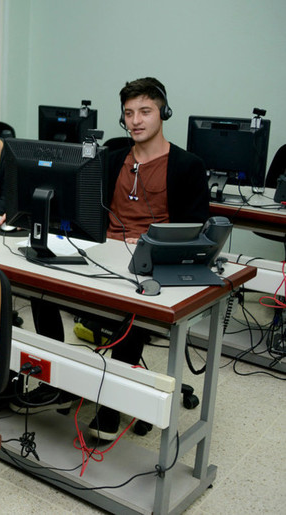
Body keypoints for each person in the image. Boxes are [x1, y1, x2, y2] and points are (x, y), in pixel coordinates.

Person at [21, 77, 209, 441]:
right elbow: (82, 207)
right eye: (129, 113)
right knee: (38, 283)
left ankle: (109, 403)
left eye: (145, 111)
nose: (136, 120)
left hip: (151, 260)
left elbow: (194, 229)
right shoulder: (109, 159)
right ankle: (58, 376)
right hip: (102, 249)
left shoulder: (187, 165)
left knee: (131, 306)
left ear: (163, 113)